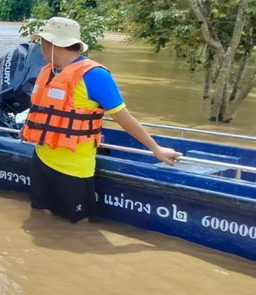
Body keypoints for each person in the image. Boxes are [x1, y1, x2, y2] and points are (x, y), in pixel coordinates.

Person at [21, 17, 181, 223]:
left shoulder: (94, 75)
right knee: (40, 216)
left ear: (53, 44)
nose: (40, 47)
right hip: (41, 160)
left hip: (74, 169)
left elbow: (123, 118)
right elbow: (43, 110)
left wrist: (156, 149)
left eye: (42, 42)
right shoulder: (48, 72)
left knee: (77, 227)